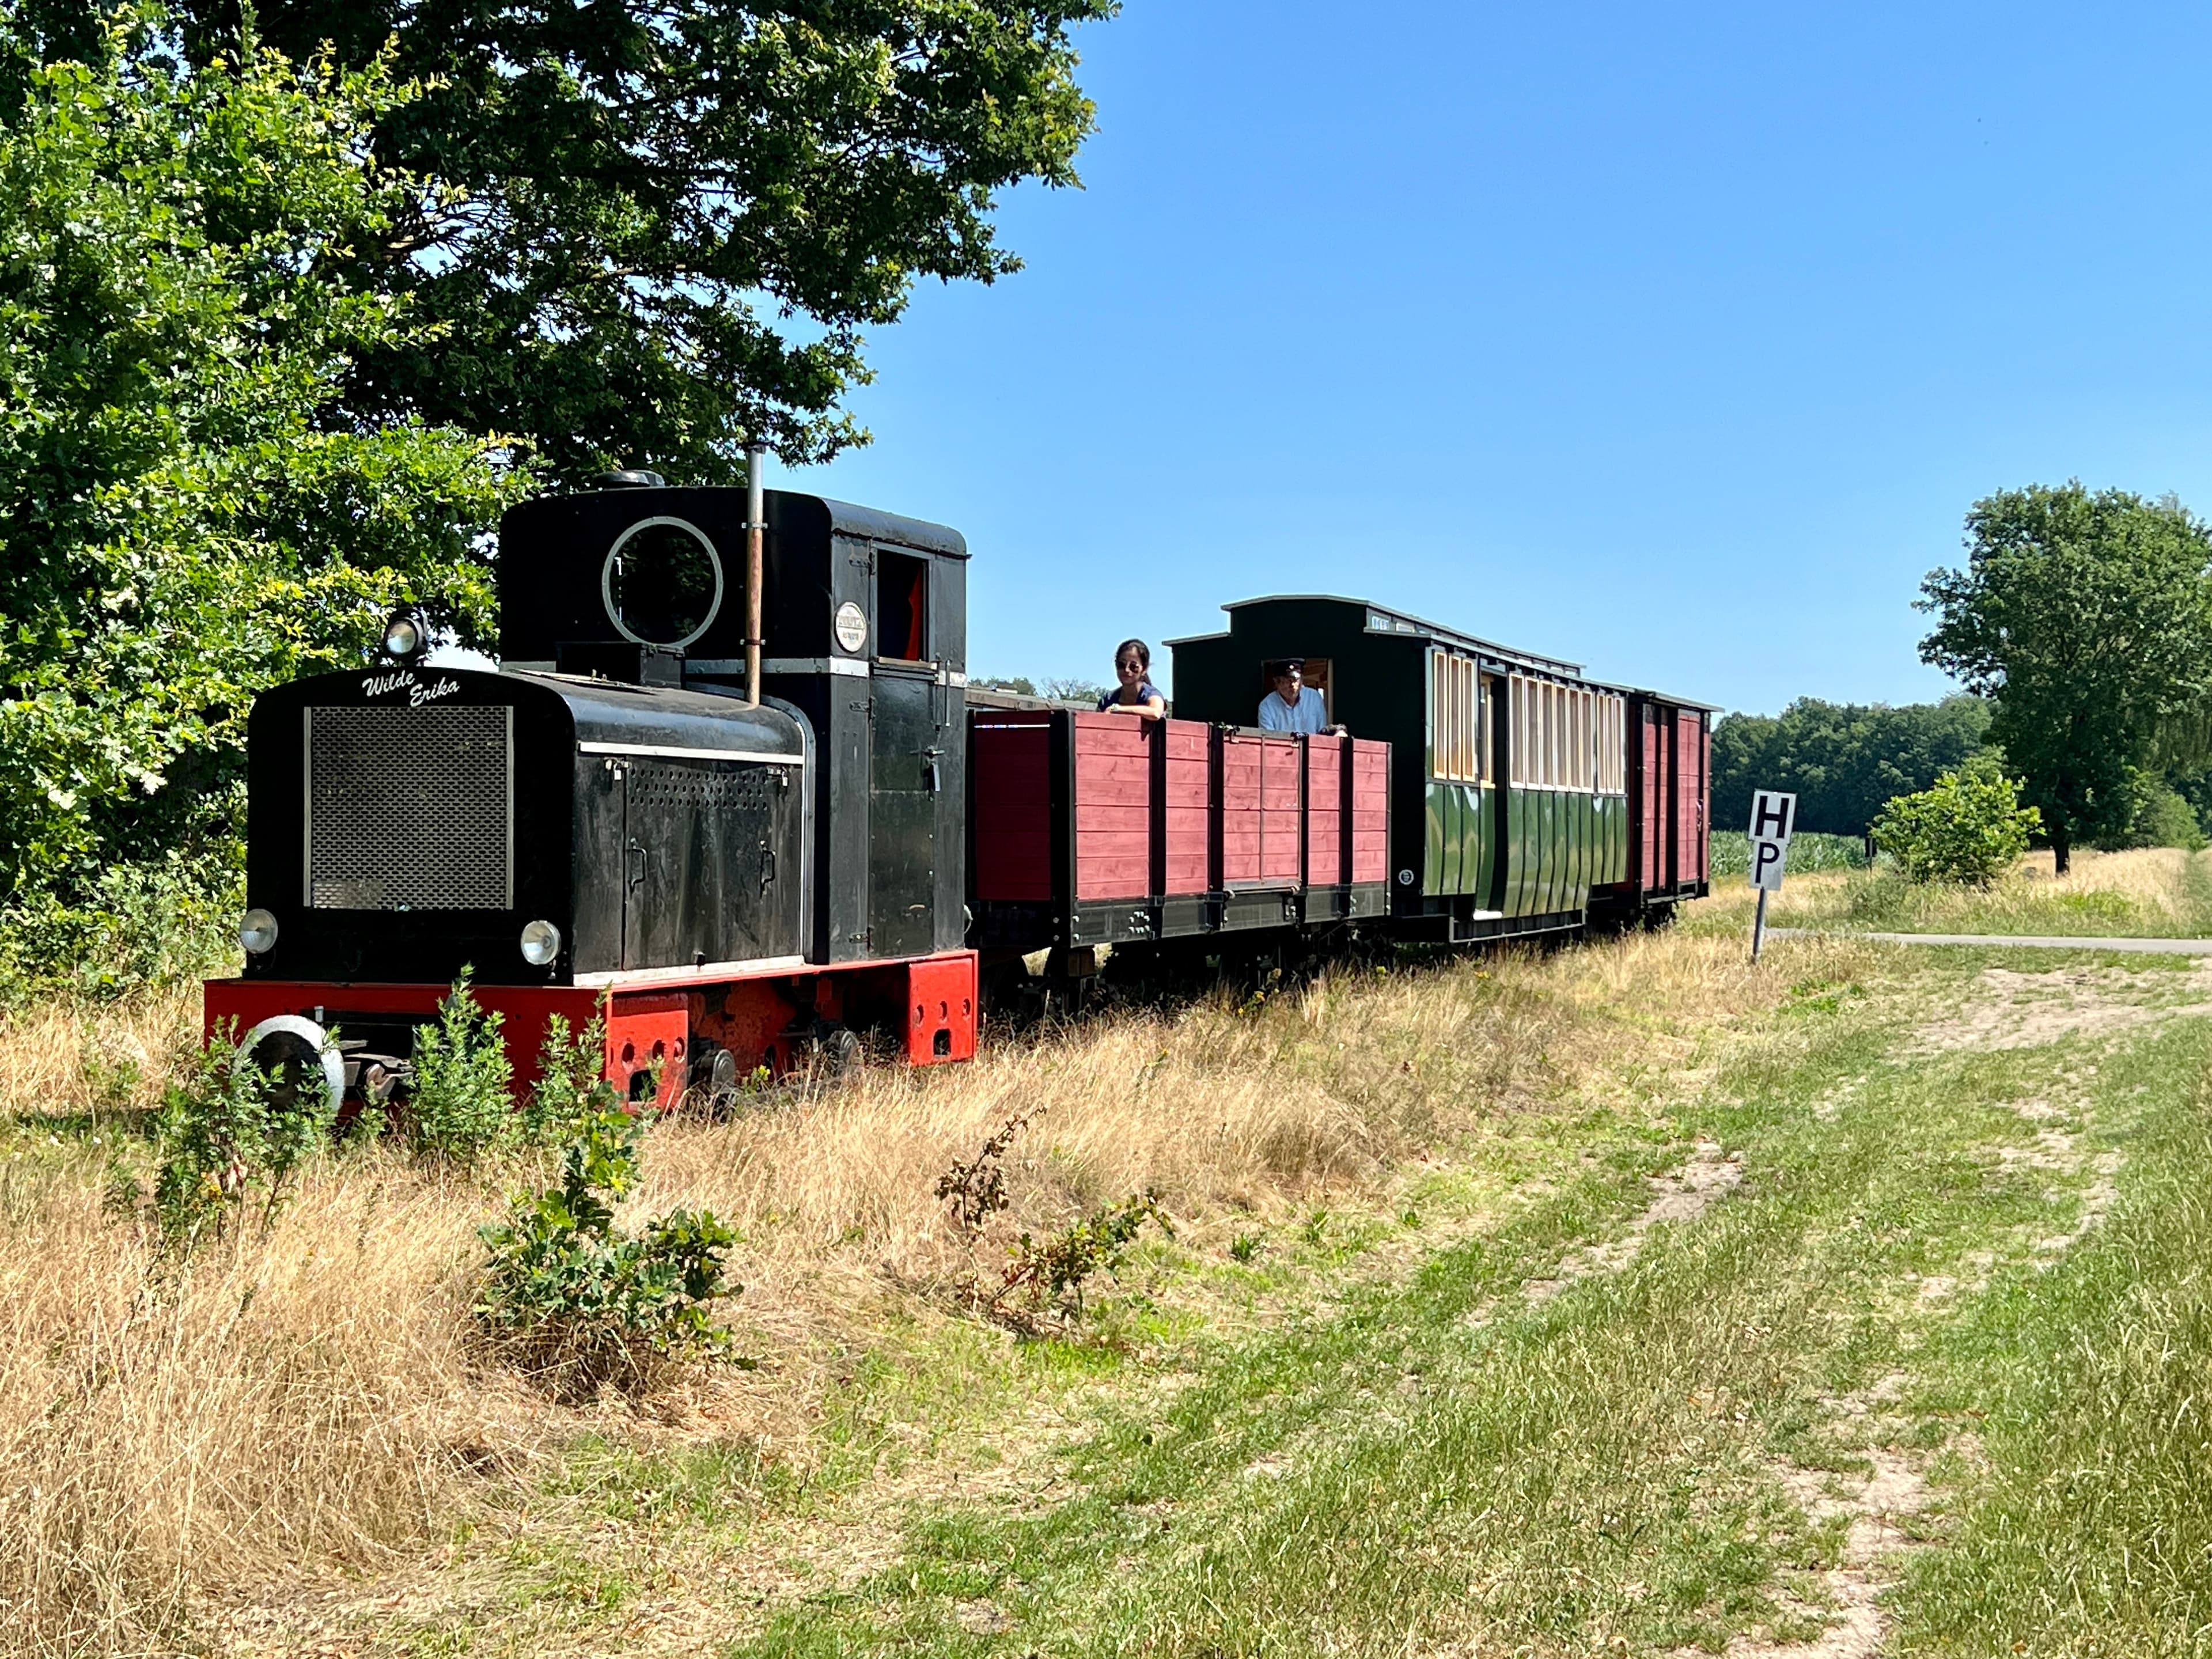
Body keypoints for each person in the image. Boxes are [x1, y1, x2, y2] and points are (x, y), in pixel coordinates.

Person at [1257, 658, 1344, 734]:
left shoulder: (1314, 698)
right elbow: (1269, 741)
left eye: (1296, 680)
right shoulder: (1267, 706)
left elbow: (1322, 733)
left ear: (1302, 679)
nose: (1292, 685)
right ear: (1277, 682)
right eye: (1287, 681)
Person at [1098, 638, 1166, 719]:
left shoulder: (1151, 694)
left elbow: (1155, 713)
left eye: (1133, 666)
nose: (1127, 670)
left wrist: (1118, 709)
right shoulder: (1108, 699)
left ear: (1144, 669)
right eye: (1121, 665)